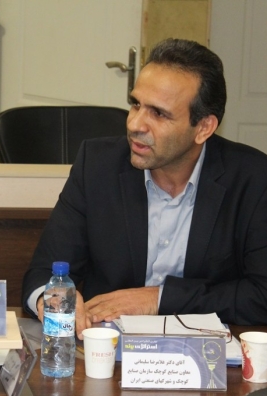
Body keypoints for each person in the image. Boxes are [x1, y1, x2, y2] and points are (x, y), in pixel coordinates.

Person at [22, 38, 267, 338]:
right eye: (136, 104)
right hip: (108, 350)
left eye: (159, 113)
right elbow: (45, 273)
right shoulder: (97, 166)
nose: (135, 124)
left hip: (205, 356)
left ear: (204, 127)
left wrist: (158, 299)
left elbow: (262, 294)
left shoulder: (253, 178)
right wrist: (52, 300)